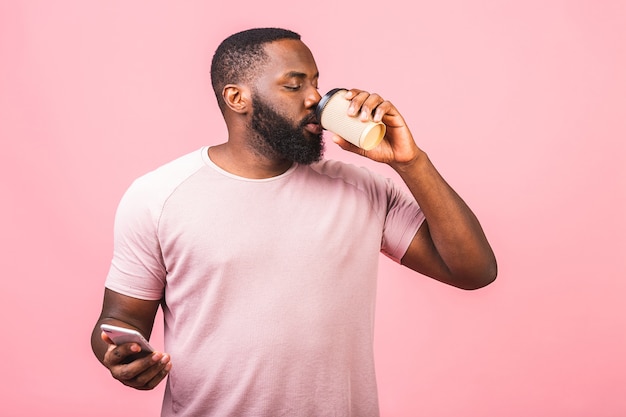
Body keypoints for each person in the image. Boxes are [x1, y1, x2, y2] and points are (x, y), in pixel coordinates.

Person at [91, 27, 497, 416]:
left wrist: (411, 162)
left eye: (316, 82)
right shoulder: (157, 196)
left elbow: (474, 270)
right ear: (237, 97)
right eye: (294, 84)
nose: (316, 98)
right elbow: (121, 319)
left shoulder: (361, 188)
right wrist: (121, 356)